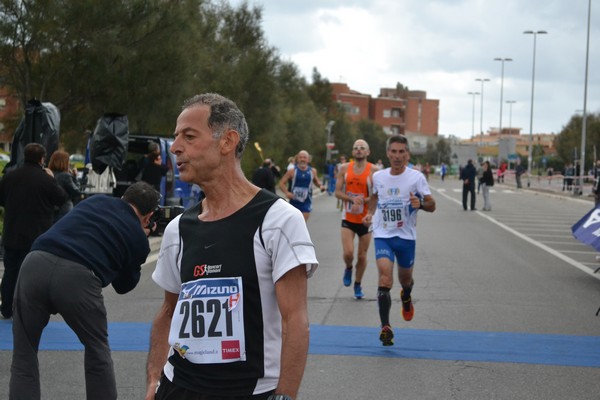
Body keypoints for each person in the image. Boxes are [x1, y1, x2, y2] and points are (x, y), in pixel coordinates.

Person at [145, 93, 318, 400]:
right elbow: (168, 312)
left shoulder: (278, 220)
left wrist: (286, 395)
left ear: (227, 142)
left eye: (188, 136)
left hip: (250, 391)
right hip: (178, 388)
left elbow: (296, 321)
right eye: (175, 138)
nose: (175, 148)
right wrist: (154, 381)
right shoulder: (178, 229)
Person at [9, 181, 160, 400]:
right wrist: (138, 238)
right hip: (78, 278)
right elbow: (124, 286)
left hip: (36, 262)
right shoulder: (138, 238)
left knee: (24, 352)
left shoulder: (96, 200)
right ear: (149, 217)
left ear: (124, 197)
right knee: (97, 350)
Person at [363, 134, 435, 346]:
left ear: (407, 154)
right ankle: (385, 327)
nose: (397, 156)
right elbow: (374, 197)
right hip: (383, 234)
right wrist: (370, 213)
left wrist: (420, 204)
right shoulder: (378, 177)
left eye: (401, 152)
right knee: (385, 279)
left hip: (406, 237)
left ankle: (407, 295)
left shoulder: (416, 178)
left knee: (405, 280)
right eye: (393, 152)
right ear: (387, 153)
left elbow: (432, 205)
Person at [0, 143, 68, 319]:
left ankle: (6, 307)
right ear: (42, 158)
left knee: (10, 271)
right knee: (32, 274)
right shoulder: (45, 179)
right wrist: (52, 178)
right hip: (36, 235)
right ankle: (27, 309)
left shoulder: (10, 176)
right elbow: (61, 198)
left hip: (12, 231)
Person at [334, 139, 379, 299]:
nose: (359, 150)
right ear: (353, 152)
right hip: (348, 218)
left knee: (362, 255)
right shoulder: (344, 168)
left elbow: (378, 195)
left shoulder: (374, 170)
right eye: (356, 148)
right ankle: (348, 268)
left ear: (368, 152)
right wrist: (351, 199)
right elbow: (337, 192)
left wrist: (364, 201)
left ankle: (358, 284)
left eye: (362, 148)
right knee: (348, 253)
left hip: (366, 219)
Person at [279, 149, 325, 221]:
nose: (302, 159)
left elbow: (316, 181)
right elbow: (281, 183)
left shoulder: (312, 171)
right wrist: (287, 193)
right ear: (297, 159)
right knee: (293, 224)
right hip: (294, 202)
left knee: (302, 223)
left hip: (306, 202)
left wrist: (320, 186)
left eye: (304, 157)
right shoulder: (292, 171)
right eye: (300, 157)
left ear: (308, 160)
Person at [48, 150, 83, 222]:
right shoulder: (65, 176)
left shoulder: (49, 174)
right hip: (64, 210)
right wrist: (75, 177)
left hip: (51, 210)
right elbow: (76, 191)